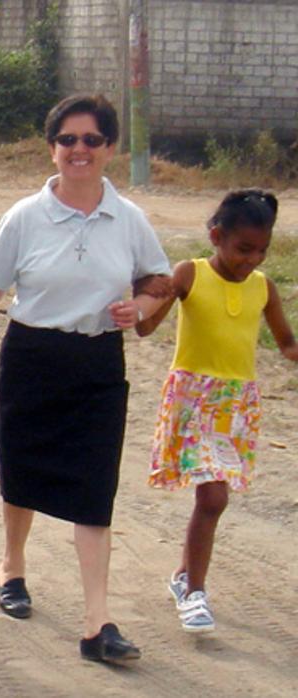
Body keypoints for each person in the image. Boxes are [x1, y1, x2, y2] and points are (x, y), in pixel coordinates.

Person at [0, 94, 171, 664]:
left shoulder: (129, 219)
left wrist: (139, 303)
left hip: (98, 365)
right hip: (33, 357)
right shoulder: (24, 217)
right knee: (22, 468)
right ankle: (11, 567)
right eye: (67, 139)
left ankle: (96, 625)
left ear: (110, 147)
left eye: (90, 140)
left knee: (94, 492)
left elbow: (162, 281)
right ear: (52, 147)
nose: (78, 150)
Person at [138, 190, 298, 633]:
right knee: (212, 497)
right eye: (243, 248)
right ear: (216, 237)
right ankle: (194, 593)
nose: (252, 259)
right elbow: (146, 327)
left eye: (261, 250)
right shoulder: (191, 273)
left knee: (210, 501)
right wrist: (146, 292)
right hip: (193, 399)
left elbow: (286, 344)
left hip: (236, 406)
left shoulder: (263, 287)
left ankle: (183, 578)